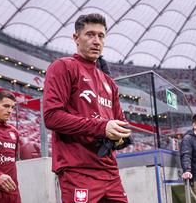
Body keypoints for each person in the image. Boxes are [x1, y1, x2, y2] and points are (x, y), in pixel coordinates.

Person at [43, 13, 132, 203]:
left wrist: (120, 137)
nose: (96, 41)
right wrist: (102, 127)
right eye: (90, 34)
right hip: (78, 169)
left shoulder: (109, 82)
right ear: (76, 38)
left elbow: (121, 124)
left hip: (109, 172)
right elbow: (51, 116)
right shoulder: (63, 67)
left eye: (101, 36)